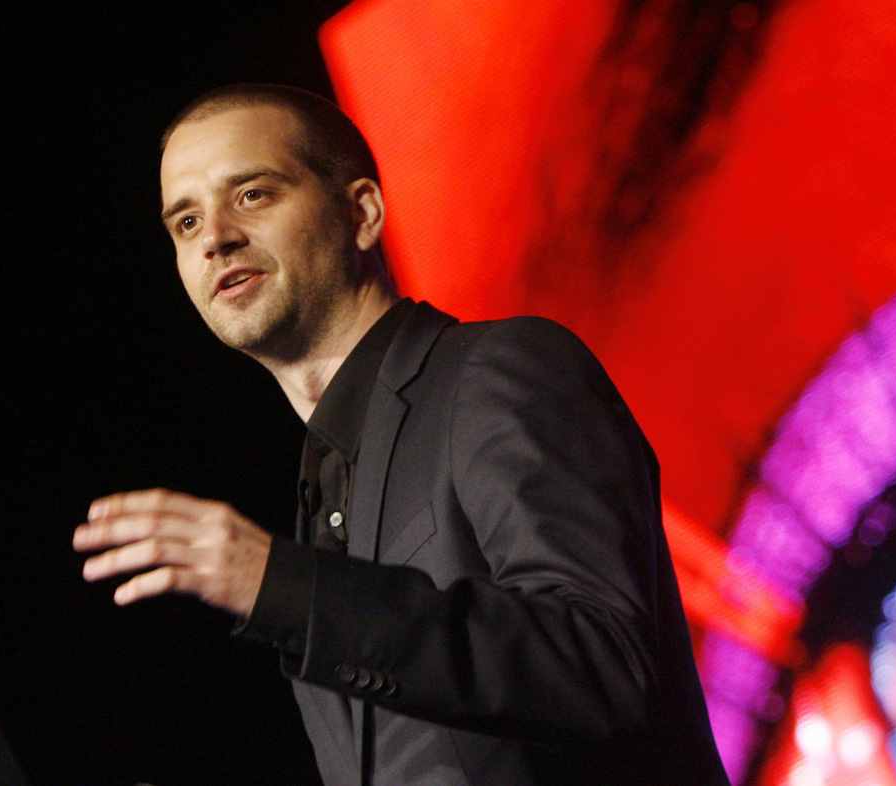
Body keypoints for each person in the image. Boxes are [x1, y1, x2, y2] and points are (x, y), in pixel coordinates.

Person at [73, 84, 729, 786]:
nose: (215, 238)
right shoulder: (318, 496)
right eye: (184, 222)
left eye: (254, 194)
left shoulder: (496, 372)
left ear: (362, 212)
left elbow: (603, 668)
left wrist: (292, 591)